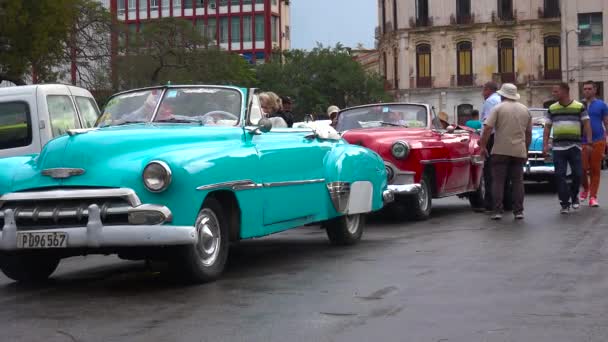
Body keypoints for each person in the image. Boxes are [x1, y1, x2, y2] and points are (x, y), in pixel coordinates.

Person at [478, 84, 532, 220]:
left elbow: (487, 129)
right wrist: (526, 149)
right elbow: (529, 133)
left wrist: (483, 146)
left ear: (502, 95)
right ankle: (518, 211)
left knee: (498, 181)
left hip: (500, 149)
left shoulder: (497, 108)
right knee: (518, 181)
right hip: (519, 150)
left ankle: (497, 210)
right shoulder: (525, 110)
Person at [543, 83, 593, 214]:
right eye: (553, 92)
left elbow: (587, 124)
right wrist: (545, 144)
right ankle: (564, 203)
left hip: (575, 146)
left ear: (565, 92)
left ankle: (574, 195)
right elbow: (547, 127)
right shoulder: (552, 108)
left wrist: (589, 143)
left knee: (578, 174)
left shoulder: (579, 107)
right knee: (559, 175)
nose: (553, 94)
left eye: (556, 91)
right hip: (558, 148)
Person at [480, 81, 511, 212]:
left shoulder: (490, 102)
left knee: (490, 173)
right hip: (506, 137)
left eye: (483, 90)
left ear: (488, 90)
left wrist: (482, 143)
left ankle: (490, 204)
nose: (482, 93)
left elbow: (488, 125)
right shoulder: (504, 102)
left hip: (492, 139)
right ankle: (508, 203)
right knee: (507, 173)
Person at [580, 81, 608, 207]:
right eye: (585, 89)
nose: (587, 91)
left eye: (589, 89)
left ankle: (593, 197)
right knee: (582, 168)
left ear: (595, 90)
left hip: (599, 140)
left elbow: (606, 122)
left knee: (595, 169)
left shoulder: (602, 105)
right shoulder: (579, 105)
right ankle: (586, 188)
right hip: (583, 141)